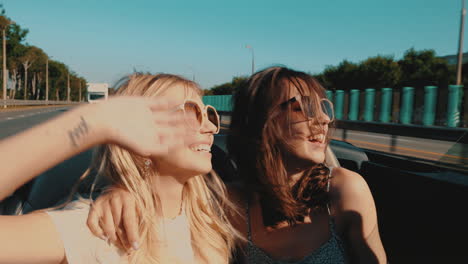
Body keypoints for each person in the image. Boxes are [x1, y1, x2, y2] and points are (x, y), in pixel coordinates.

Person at [88, 66, 387, 263]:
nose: (322, 119)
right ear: (263, 120)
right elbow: (167, 200)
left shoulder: (345, 191)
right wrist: (121, 189)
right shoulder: (231, 203)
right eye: (304, 107)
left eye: (323, 107)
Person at [0, 73, 241, 264]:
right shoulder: (100, 228)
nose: (210, 126)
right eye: (192, 112)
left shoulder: (212, 219)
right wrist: (94, 121)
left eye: (208, 113)